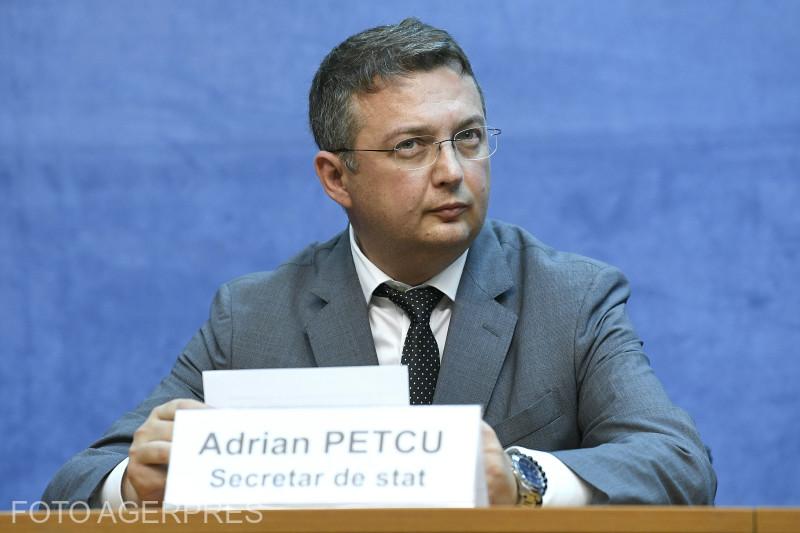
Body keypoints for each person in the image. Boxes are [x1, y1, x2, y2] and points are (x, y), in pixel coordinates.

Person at [43, 18, 716, 507]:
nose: (452, 171)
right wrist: (133, 483)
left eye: (468, 137)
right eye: (411, 146)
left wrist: (524, 480)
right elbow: (75, 485)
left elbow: (679, 464)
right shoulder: (253, 316)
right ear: (336, 177)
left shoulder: (571, 297)